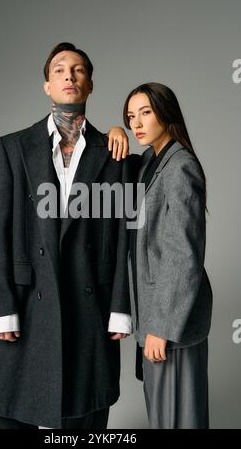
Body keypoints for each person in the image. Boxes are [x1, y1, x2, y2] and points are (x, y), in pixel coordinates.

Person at [0, 42, 131, 429]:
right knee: (13, 404)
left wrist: (120, 307)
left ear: (91, 85)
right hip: (27, 295)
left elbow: (121, 237)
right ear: (47, 85)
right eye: (60, 69)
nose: (70, 75)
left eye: (79, 70)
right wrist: (1, 308)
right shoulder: (13, 147)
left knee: (85, 408)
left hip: (90, 297)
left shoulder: (112, 152)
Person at [109, 82, 213, 429]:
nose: (135, 123)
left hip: (172, 325)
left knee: (176, 420)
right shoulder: (152, 160)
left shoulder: (180, 167)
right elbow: (123, 164)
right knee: (162, 417)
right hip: (155, 319)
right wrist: (114, 132)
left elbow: (184, 254)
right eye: (129, 116)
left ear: (166, 114)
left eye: (145, 113)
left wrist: (163, 327)